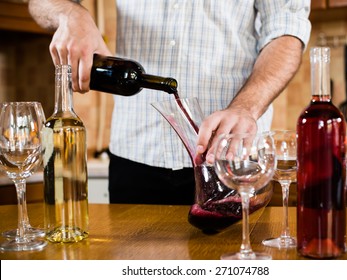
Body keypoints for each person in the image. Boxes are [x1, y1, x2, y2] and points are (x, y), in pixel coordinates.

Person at [29, 0, 311, 205]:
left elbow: (286, 31)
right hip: (135, 159)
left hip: (232, 159)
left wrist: (245, 107)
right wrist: (70, 13)